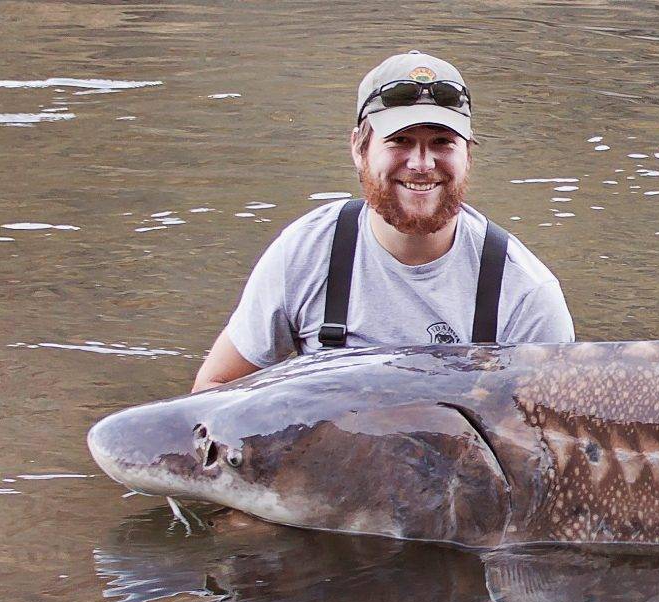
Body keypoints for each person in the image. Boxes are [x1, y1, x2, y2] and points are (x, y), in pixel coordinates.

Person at [192, 51, 573, 392]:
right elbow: (216, 388)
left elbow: (558, 441)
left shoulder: (526, 295)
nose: (422, 164)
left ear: (468, 156)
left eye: (442, 142)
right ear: (359, 149)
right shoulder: (303, 255)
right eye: (400, 140)